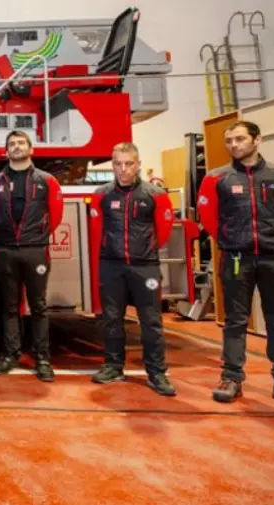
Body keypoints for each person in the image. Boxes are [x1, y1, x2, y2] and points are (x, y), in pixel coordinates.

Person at [197, 120, 274, 413]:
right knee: (235, 321)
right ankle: (231, 378)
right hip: (236, 259)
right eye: (229, 141)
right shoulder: (217, 178)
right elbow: (209, 217)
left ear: (257, 139)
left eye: (240, 139)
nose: (234, 145)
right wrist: (231, 241)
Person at [87, 142, 177, 396]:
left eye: (128, 164)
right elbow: (97, 229)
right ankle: (113, 366)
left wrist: (144, 251)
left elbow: (163, 232)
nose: (123, 169)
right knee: (111, 319)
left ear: (137, 164)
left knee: (151, 321)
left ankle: (157, 372)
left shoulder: (155, 194)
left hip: (145, 266)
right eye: (117, 164)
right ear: (112, 165)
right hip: (111, 265)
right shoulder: (102, 194)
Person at [0, 130, 64, 381]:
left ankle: (42, 358)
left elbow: (56, 215)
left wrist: (36, 237)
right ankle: (11, 354)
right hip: (7, 250)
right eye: (11, 144)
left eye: (21, 143)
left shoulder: (47, 181)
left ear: (32, 149)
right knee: (9, 306)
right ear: (5, 151)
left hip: (35, 250)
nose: (16, 147)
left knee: (38, 306)